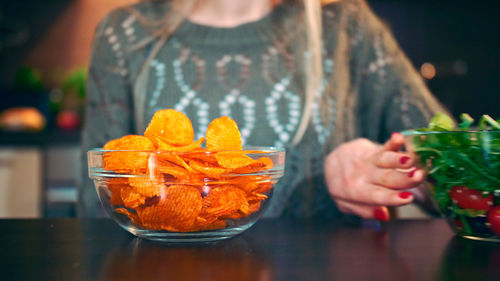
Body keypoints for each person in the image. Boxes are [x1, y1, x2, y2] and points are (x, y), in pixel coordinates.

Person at [79, 0, 447, 220]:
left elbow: (460, 175)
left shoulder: (349, 30)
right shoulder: (124, 36)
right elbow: (96, 211)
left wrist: (394, 170)